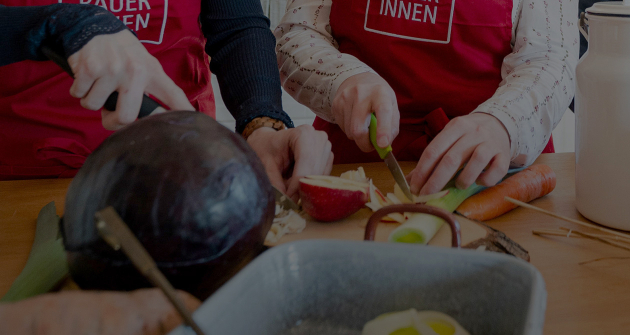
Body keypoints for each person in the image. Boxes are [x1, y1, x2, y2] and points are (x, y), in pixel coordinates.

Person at [0, 1, 333, 200]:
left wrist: (263, 125)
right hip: (21, 181)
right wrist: (53, 23)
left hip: (180, 170)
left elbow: (235, 27)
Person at [274, 0, 578, 196]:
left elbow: (551, 59)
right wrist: (342, 77)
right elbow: (296, 33)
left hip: (486, 177)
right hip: (352, 167)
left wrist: (502, 122)